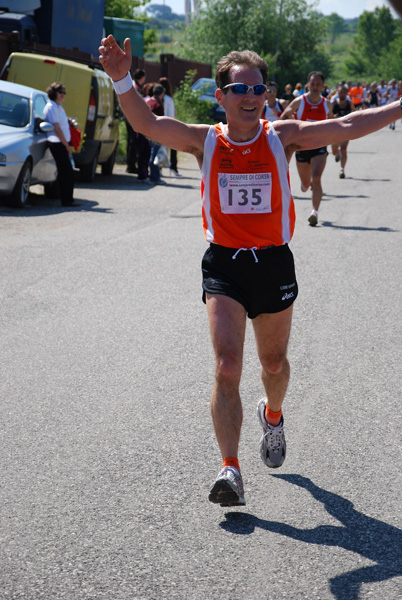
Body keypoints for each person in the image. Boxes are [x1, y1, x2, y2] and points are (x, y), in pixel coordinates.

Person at [99, 35, 402, 507]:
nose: (250, 98)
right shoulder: (204, 140)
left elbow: (347, 123)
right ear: (220, 96)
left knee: (273, 365)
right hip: (224, 263)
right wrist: (120, 77)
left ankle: (274, 416)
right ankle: (230, 468)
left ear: (267, 95)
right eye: (239, 90)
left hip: (273, 262)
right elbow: (146, 122)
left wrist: (400, 105)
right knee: (227, 367)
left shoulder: (283, 135)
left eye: (258, 90)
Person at [280, 71, 333, 227]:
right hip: (302, 147)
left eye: (318, 84)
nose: (315, 87)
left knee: (316, 178)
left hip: (319, 146)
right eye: (312, 84)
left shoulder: (326, 104)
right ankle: (305, 184)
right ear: (308, 85)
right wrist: (293, 128)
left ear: (323, 86)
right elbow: (284, 116)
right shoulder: (299, 102)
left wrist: (335, 142)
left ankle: (314, 212)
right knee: (305, 185)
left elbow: (334, 123)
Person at [43, 82, 79, 207]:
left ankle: (66, 198)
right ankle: (66, 200)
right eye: (60, 92)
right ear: (53, 93)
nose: (63, 95)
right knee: (66, 172)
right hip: (57, 143)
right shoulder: (51, 107)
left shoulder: (58, 106)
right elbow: (57, 129)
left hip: (61, 142)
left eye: (64, 92)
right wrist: (67, 146)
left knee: (66, 171)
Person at [158, 76, 182, 177]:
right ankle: (173, 167)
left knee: (160, 148)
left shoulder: (163, 99)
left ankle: (159, 168)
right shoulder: (169, 99)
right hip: (171, 125)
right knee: (172, 148)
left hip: (164, 125)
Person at [331, 85, 355, 179]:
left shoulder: (350, 104)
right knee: (334, 151)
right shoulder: (333, 103)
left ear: (347, 93)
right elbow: (328, 115)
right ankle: (337, 154)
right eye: (341, 92)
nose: (342, 94)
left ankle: (342, 169)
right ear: (338, 93)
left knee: (344, 149)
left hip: (346, 130)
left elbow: (355, 114)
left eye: (344, 92)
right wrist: (332, 117)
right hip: (335, 131)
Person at [125, 68, 146, 173]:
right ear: (142, 77)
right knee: (133, 142)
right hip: (132, 117)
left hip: (128, 116)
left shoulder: (132, 85)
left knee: (131, 141)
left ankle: (130, 164)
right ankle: (131, 165)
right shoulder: (136, 87)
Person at [145, 83, 166, 184]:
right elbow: (161, 122)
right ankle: (155, 177)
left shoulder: (147, 101)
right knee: (155, 156)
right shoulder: (158, 105)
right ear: (161, 94)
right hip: (155, 134)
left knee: (148, 154)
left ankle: (147, 175)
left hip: (145, 132)